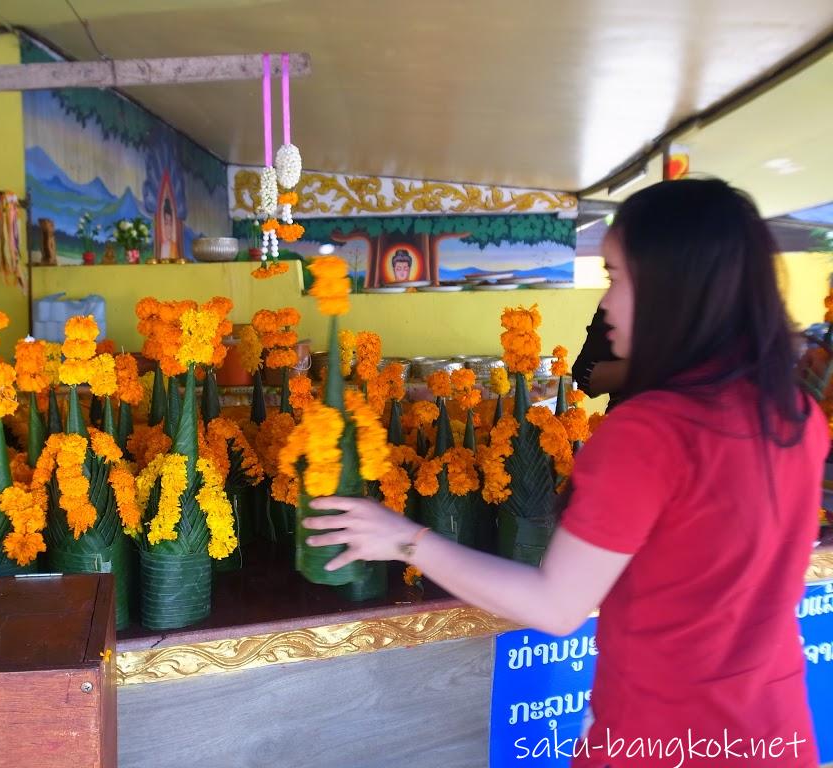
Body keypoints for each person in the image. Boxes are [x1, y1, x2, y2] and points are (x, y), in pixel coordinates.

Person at [305, 178, 825, 767]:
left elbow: (556, 605)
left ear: (672, 289)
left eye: (615, 278)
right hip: (775, 735)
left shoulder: (651, 434)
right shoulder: (794, 413)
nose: (605, 304)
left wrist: (400, 537)